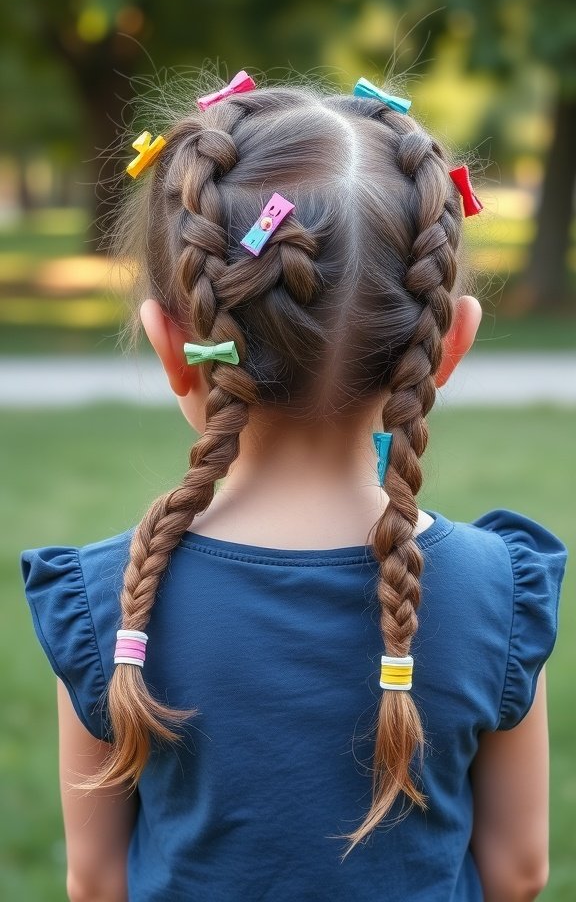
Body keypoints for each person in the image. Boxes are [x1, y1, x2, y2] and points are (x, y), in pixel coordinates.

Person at [21, 73, 567, 902]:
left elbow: (96, 883)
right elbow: (519, 873)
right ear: (447, 347)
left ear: (173, 347)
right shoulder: (498, 592)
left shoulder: (111, 605)